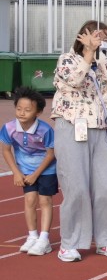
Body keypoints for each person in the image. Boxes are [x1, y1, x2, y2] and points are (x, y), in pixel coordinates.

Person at [50, 21, 107, 262]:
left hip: (101, 129)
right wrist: (88, 54)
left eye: (105, 38)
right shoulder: (67, 59)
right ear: (83, 36)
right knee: (76, 187)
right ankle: (70, 243)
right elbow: (75, 80)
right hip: (72, 126)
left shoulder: (103, 63)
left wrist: (98, 55)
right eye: (97, 36)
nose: (101, 41)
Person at [3, 86, 59, 257]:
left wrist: (36, 174)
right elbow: (6, 150)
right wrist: (16, 172)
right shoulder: (9, 128)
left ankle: (44, 239)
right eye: (19, 108)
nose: (22, 113)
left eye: (27, 110)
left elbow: (51, 153)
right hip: (25, 169)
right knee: (29, 200)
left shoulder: (45, 130)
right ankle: (32, 236)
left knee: (45, 200)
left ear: (38, 112)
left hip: (47, 169)